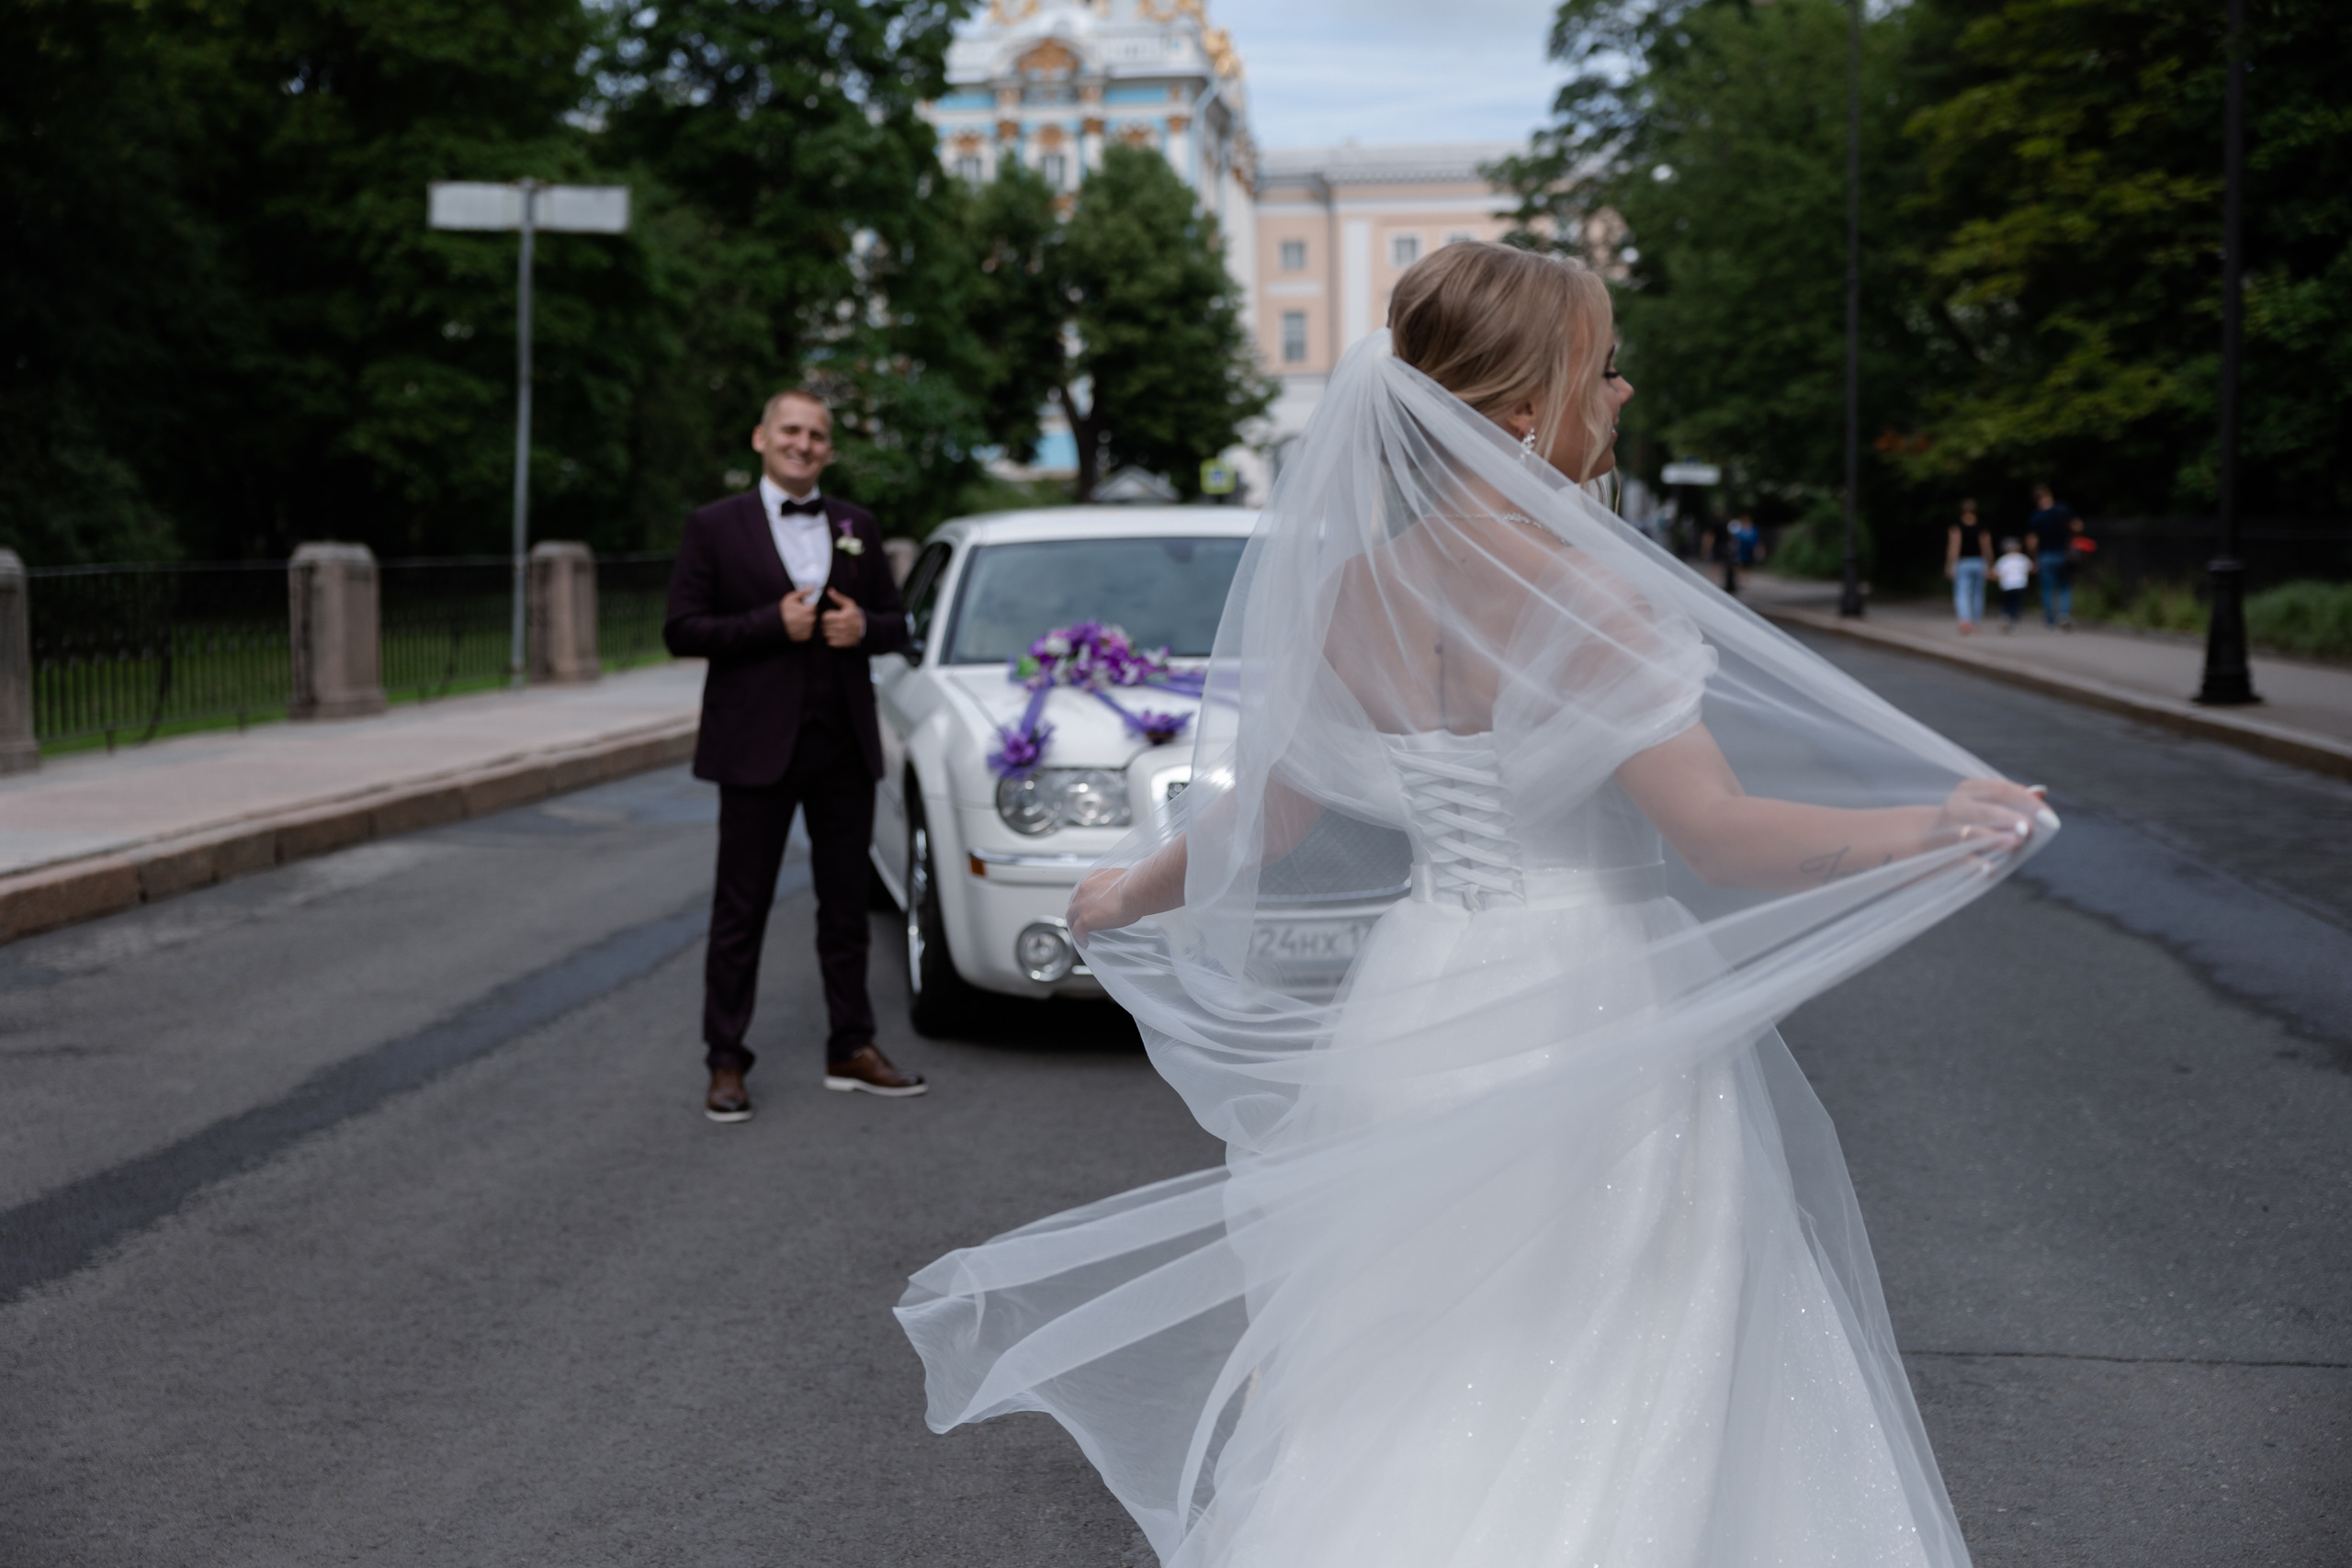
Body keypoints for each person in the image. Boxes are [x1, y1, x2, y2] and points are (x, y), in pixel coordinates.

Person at [897, 243, 2052, 1568]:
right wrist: (1929, 823)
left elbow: (1268, 817)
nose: (1623, 391)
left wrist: (1124, 889)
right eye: (1602, 368)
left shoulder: (1356, 591)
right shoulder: (1592, 593)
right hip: (1593, 1010)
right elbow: (1722, 839)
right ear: (1516, 417)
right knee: (1611, 1368)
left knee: (1406, 1365)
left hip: (1414, 1006)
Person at [663, 388, 925, 1123]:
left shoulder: (857, 526)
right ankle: (725, 1059)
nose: (803, 443)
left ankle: (852, 1046)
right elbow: (682, 629)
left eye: (816, 434)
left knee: (845, 907)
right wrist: (767, 623)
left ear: (828, 449)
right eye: (791, 430)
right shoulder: (713, 526)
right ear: (760, 438)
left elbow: (897, 622)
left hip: (841, 743)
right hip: (753, 746)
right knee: (739, 909)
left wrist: (862, 628)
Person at [2026, 481, 2078, 629]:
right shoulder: (2063, 510)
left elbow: (2032, 542)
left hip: (2045, 556)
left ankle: (2050, 621)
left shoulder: (2036, 517)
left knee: (2047, 589)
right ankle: (2064, 615)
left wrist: (2033, 559)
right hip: (2063, 553)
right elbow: (2077, 526)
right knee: (2064, 587)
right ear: (2049, 494)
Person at [1945, 497, 1992, 633]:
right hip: (1979, 562)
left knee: (1962, 594)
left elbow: (1954, 546)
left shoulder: (1957, 527)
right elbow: (1986, 547)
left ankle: (1965, 622)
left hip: (1963, 562)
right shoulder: (1982, 527)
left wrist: (1949, 564)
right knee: (1978, 594)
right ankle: (1976, 624)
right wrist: (1989, 564)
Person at [1994, 536, 2034, 632]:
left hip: (2007, 586)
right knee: (2016, 605)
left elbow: (1996, 573)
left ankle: (2006, 616)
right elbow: (2031, 568)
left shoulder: (2003, 560)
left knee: (2007, 603)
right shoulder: (2023, 558)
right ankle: (2013, 623)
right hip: (2020, 585)